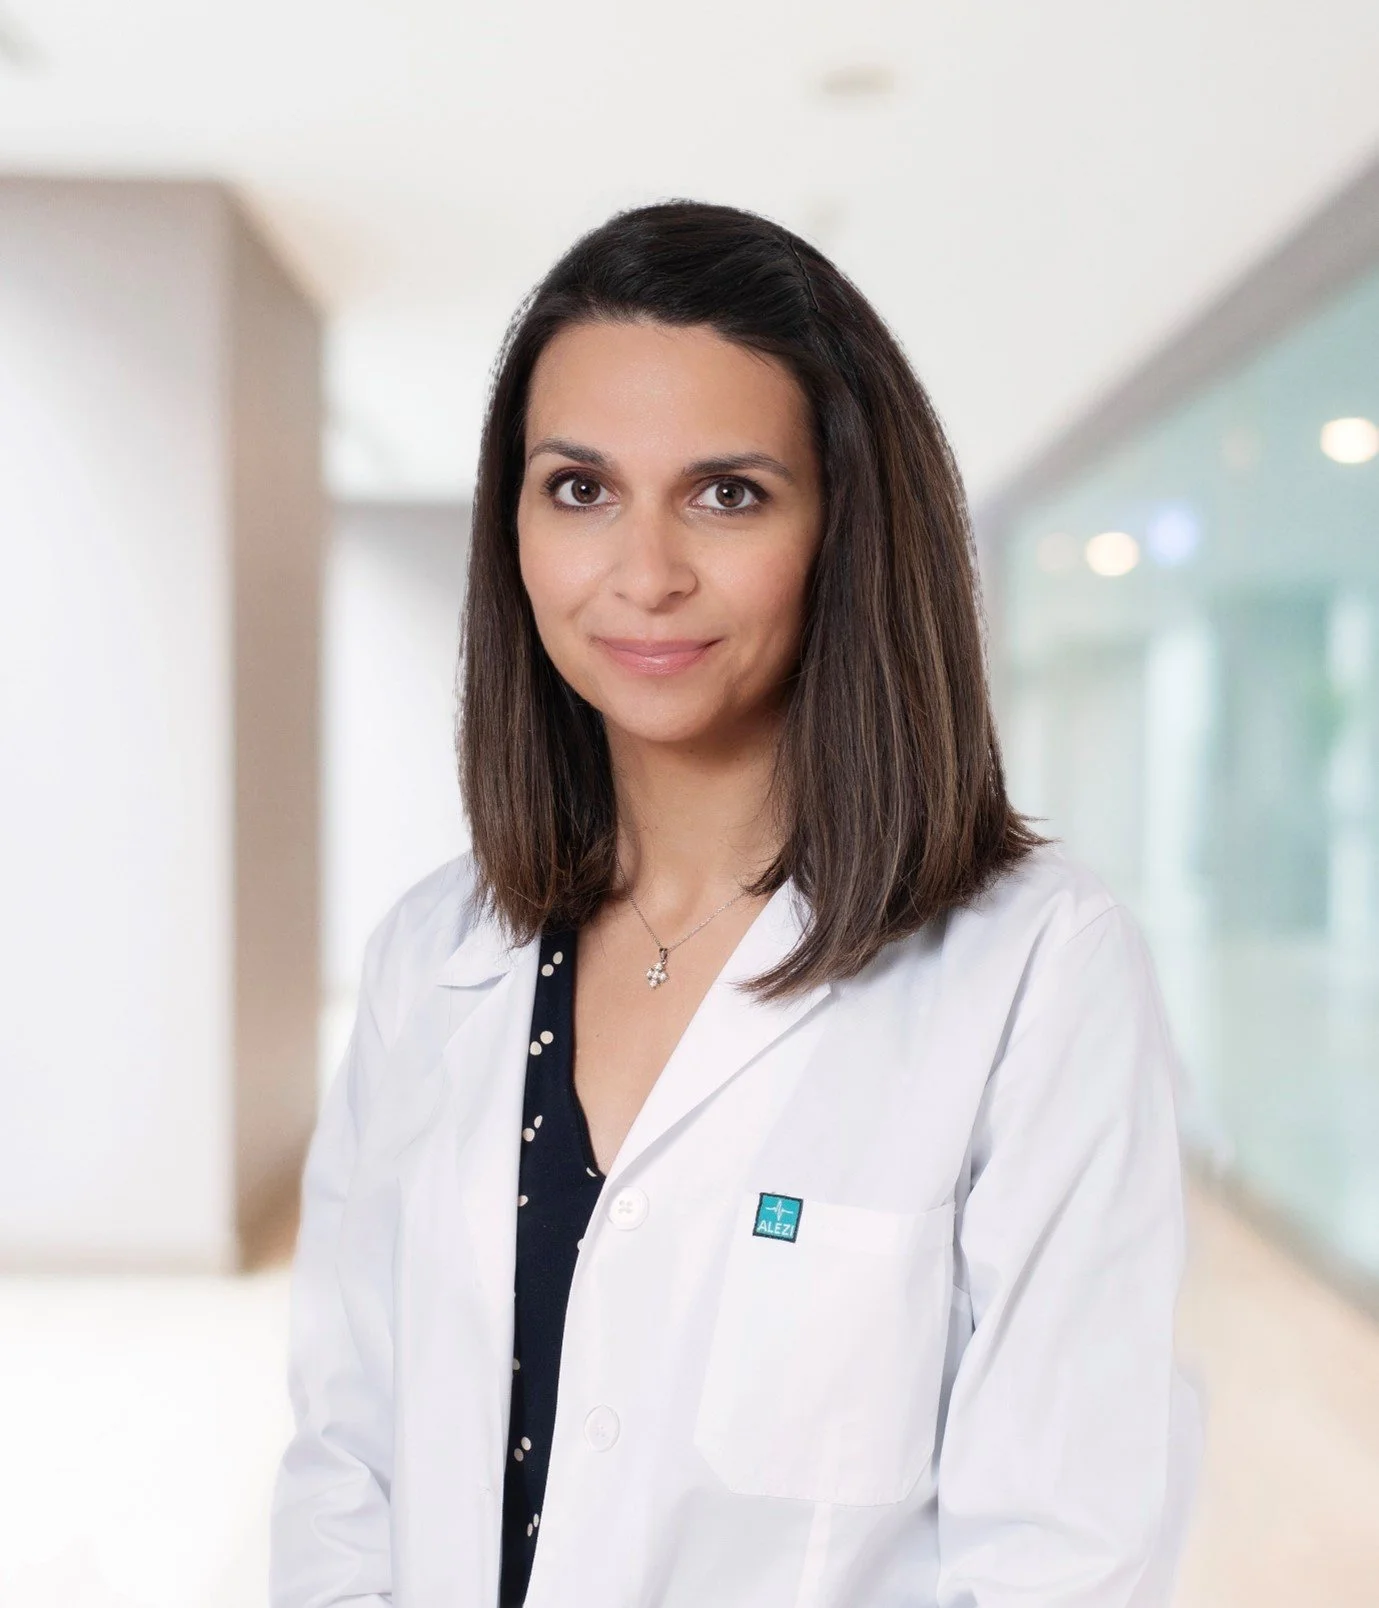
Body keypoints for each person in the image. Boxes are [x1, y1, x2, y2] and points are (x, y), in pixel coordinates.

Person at [270, 200, 1199, 1608]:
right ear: (511, 522)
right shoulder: (433, 957)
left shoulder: (1034, 971)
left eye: (727, 493)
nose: (643, 574)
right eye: (579, 487)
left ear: (844, 528)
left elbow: (1063, 1553)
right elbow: (348, 1457)